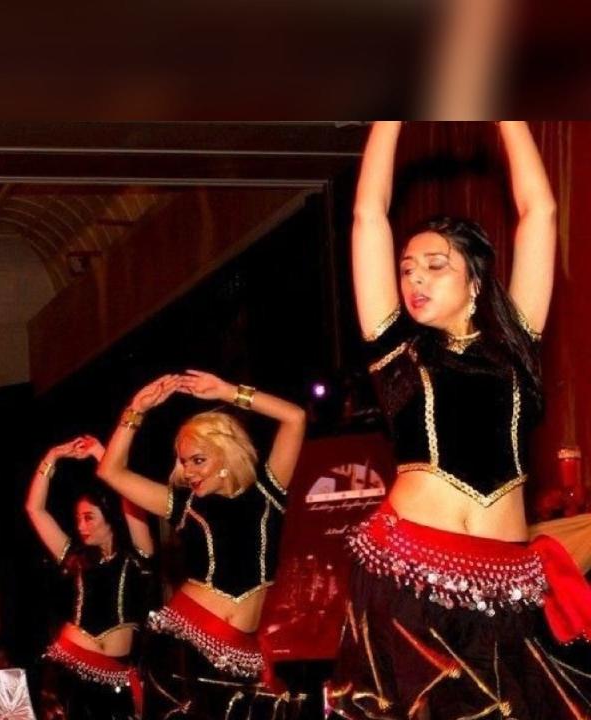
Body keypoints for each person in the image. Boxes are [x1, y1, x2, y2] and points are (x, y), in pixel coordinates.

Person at [327, 121, 591, 718]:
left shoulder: (516, 346)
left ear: (474, 280)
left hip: (509, 590)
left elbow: (540, 211)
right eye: (407, 268)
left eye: (435, 265)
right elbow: (368, 213)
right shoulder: (397, 352)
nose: (414, 277)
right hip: (410, 579)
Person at [96, 371, 306, 720]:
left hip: (243, 654)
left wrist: (228, 391)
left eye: (198, 460)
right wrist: (136, 410)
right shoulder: (183, 504)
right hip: (183, 651)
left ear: (225, 455)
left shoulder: (268, 492)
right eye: (183, 461)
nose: (189, 471)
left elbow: (294, 417)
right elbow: (111, 472)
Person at [26, 435, 154, 720]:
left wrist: (101, 454)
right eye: (78, 518)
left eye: (89, 517)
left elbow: (133, 497)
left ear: (109, 516)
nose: (80, 526)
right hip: (70, 668)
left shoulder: (136, 555)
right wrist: (51, 456)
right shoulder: (75, 556)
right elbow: (35, 509)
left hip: (117, 676)